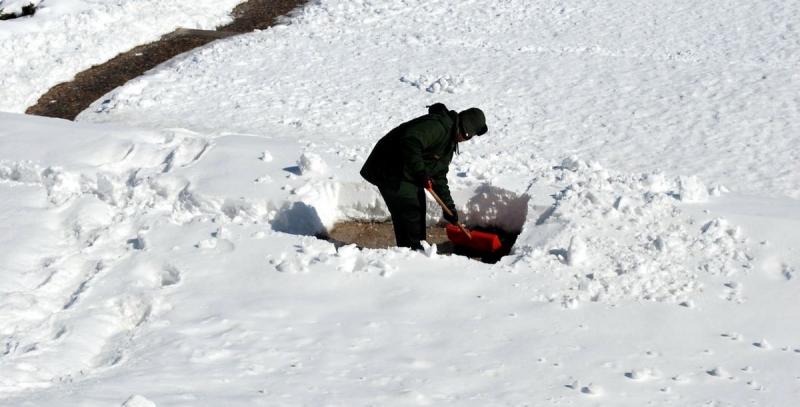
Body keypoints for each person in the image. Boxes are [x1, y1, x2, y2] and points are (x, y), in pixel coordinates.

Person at [360, 103, 488, 250]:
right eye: (464, 134)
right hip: (389, 168)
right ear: (461, 123)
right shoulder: (438, 126)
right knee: (410, 210)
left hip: (407, 171)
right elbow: (411, 140)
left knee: (418, 207)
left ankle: (417, 248)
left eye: (467, 137)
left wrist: (449, 208)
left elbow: (439, 176)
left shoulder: (450, 140)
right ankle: (411, 252)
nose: (463, 138)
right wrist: (420, 172)